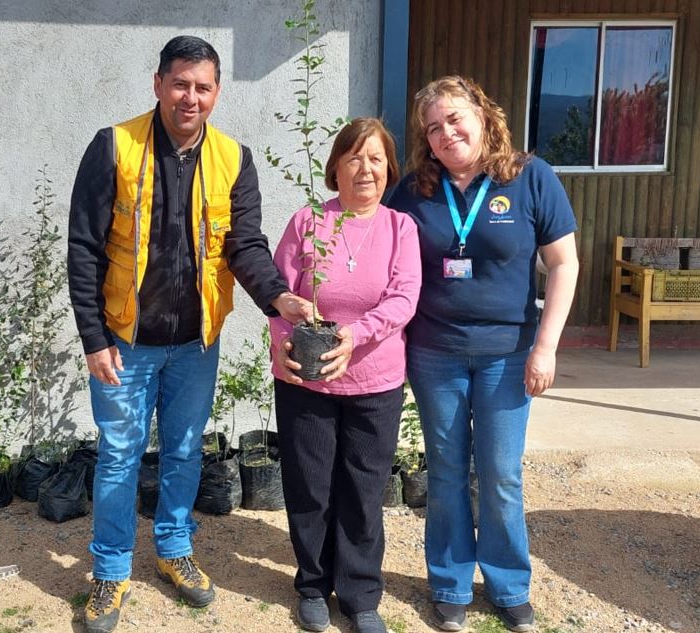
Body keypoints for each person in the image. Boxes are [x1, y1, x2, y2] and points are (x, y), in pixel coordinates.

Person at [67, 35, 313, 633]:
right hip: (124, 342)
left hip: (196, 344)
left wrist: (278, 296)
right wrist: (94, 338)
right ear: (158, 84)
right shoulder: (114, 147)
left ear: (217, 93)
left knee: (183, 451)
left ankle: (174, 550)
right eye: (180, 84)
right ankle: (110, 571)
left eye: (202, 87)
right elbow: (83, 248)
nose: (190, 97)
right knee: (119, 456)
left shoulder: (234, 159)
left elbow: (245, 245)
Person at [387, 76, 579, 633]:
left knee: (500, 474)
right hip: (435, 354)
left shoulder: (530, 177)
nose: (446, 133)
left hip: (507, 356)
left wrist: (546, 347)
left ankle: (508, 585)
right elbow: (381, 247)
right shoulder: (414, 190)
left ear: (482, 116)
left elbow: (563, 264)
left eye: (454, 119)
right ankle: (449, 583)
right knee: (446, 470)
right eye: (433, 128)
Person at [268, 118, 422, 633]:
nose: (365, 169)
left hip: (375, 383)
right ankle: (313, 585)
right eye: (354, 157)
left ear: (389, 170)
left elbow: (404, 298)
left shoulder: (400, 229)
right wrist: (282, 349)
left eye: (376, 159)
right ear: (335, 167)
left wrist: (356, 335)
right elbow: (278, 295)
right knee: (309, 485)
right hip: (308, 383)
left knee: (363, 490)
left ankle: (360, 594)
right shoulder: (308, 222)